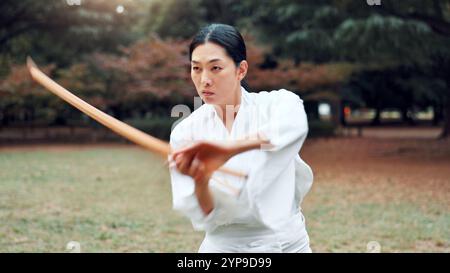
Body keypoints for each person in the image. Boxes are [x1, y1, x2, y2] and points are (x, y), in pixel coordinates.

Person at [168, 23, 313, 253]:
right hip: (226, 248)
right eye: (196, 68)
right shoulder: (186, 133)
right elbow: (203, 213)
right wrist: (201, 180)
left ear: (241, 70)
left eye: (215, 68)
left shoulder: (275, 105)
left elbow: (289, 128)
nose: (204, 79)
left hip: (288, 242)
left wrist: (228, 149)